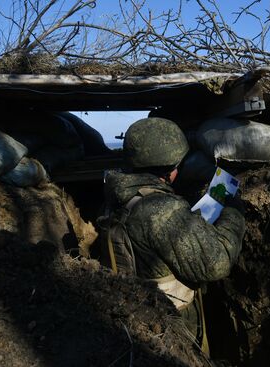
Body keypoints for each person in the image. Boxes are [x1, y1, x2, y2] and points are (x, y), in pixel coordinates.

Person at [99, 117, 245, 354]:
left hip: (134, 317)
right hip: (170, 329)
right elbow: (217, 263)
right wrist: (233, 211)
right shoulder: (161, 209)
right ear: (170, 171)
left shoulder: (117, 195)